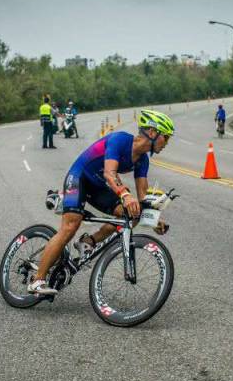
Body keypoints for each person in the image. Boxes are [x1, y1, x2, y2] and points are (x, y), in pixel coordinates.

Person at [27, 109, 174, 296]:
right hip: (79, 177)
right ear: (153, 133)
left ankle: (89, 242)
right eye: (166, 138)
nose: (166, 143)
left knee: (132, 215)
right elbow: (109, 173)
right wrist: (125, 194)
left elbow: (143, 196)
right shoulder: (119, 140)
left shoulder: (143, 160)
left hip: (97, 186)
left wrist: (153, 219)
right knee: (71, 225)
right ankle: (37, 279)